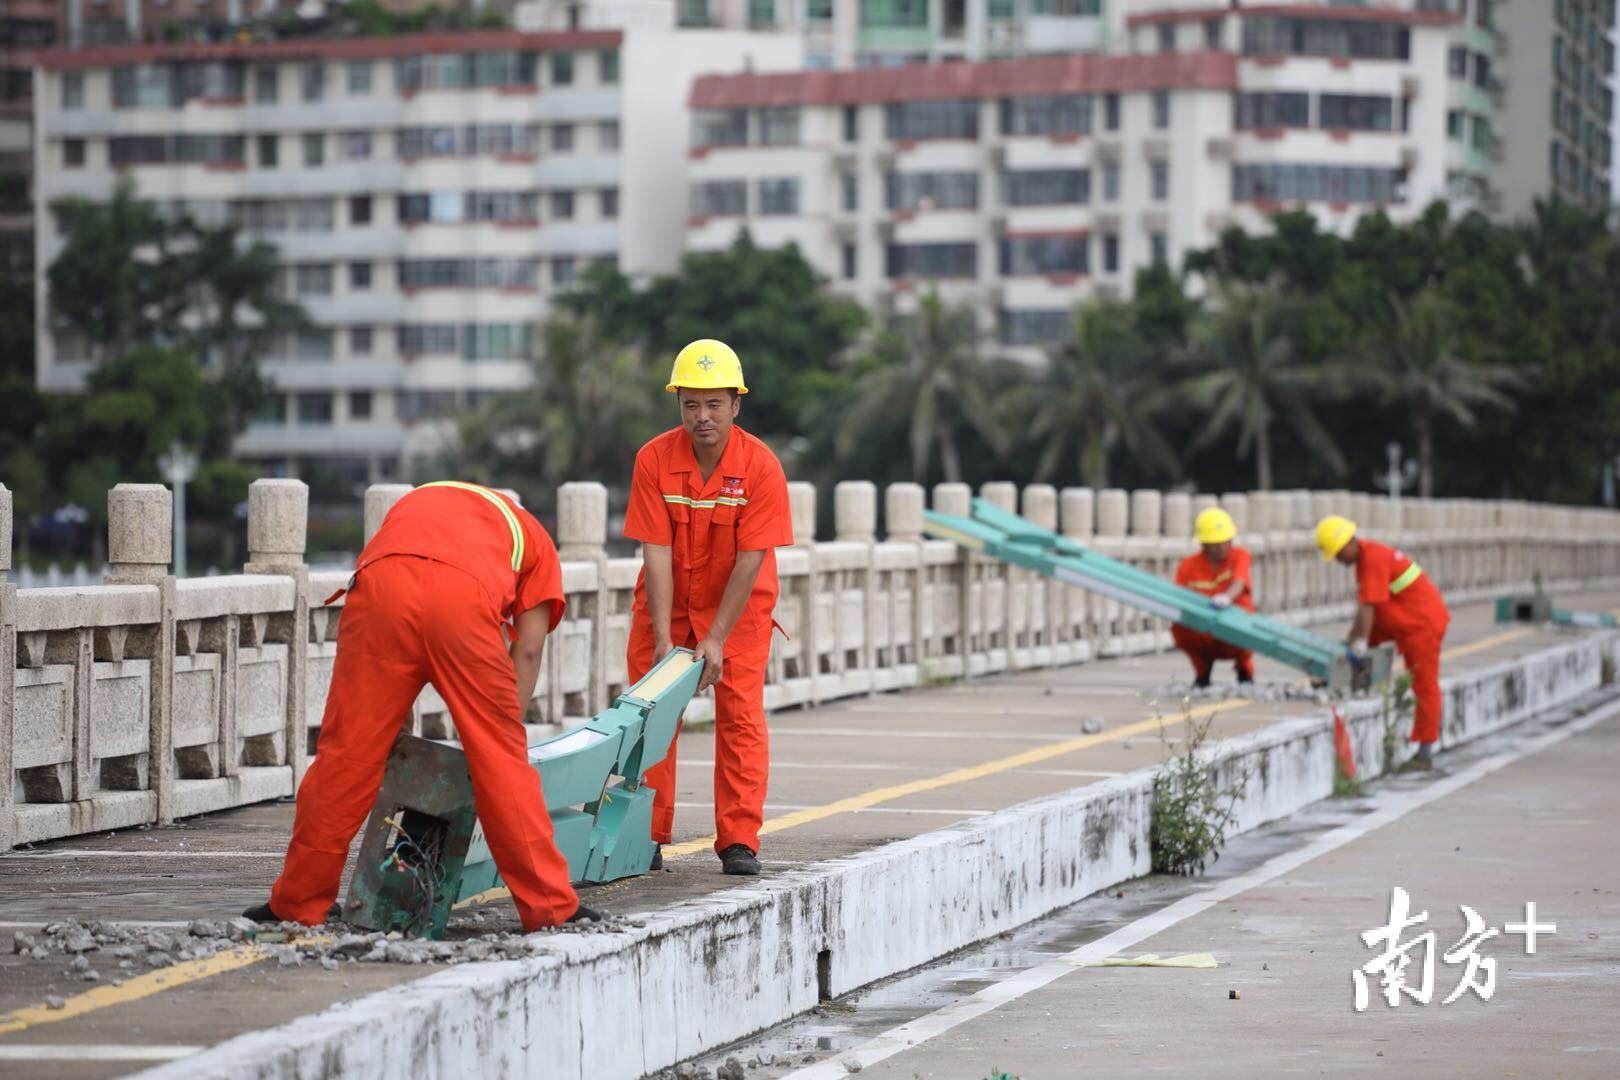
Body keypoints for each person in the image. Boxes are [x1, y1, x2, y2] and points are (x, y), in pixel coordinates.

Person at [247, 481, 600, 929]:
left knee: (347, 756)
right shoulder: (531, 536)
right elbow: (527, 651)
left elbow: (403, 569)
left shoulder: (423, 497)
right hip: (462, 603)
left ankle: (297, 904)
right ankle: (550, 907)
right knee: (501, 761)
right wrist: (498, 734)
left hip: (380, 593)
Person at [624, 339, 793, 876]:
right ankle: (644, 834)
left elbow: (750, 559)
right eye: (691, 404)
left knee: (740, 719)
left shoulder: (761, 468)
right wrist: (660, 639)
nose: (702, 417)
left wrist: (716, 637)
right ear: (678, 405)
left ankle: (739, 839)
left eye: (714, 404)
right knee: (650, 715)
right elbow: (655, 548)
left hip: (739, 611)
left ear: (736, 405)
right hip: (666, 600)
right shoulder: (653, 459)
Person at [1316, 514, 1450, 771]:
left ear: (1348, 543)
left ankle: (1424, 752)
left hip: (1421, 626)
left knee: (1424, 685)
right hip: (1405, 620)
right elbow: (1365, 611)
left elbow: (1368, 608)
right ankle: (1349, 678)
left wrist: (1359, 643)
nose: (1337, 559)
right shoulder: (1367, 559)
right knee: (1367, 647)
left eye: (1337, 553)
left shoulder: (1373, 559)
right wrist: (1349, 644)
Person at [1171, 507, 1256, 688]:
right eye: (1215, 543)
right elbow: (1179, 597)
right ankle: (1202, 672)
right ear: (1203, 544)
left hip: (1234, 628)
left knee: (1247, 628)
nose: (1222, 547)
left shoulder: (1240, 556)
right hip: (1204, 629)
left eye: (1226, 541)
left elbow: (1239, 581)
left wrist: (1226, 598)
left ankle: (1244, 671)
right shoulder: (1188, 566)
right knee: (1179, 626)